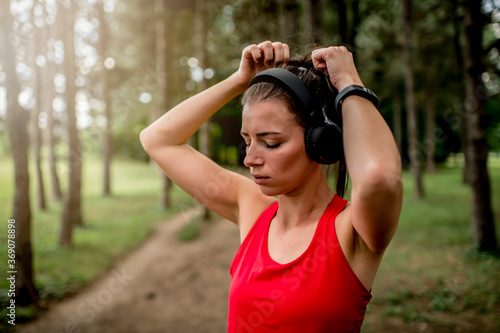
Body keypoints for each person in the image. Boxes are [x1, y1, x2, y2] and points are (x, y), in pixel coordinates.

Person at [140, 41, 403, 332]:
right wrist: (238, 81)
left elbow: (380, 177)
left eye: (271, 143)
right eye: (248, 140)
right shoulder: (252, 208)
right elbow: (158, 140)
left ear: (320, 143)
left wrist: (350, 84)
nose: (250, 159)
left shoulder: (353, 231)